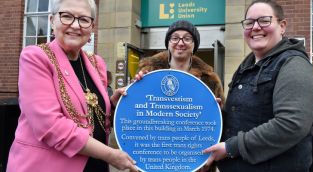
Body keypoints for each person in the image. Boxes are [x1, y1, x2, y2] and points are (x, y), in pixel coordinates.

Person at [6, 0, 137, 171]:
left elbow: (91, 115)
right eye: (67, 16)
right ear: (53, 21)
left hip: (94, 165)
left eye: (84, 19)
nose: (75, 25)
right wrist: (110, 155)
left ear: (91, 27)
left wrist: (114, 104)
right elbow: (50, 126)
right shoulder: (36, 57)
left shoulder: (96, 63)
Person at [202, 0, 313, 171]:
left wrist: (231, 148)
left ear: (282, 26)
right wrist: (219, 114)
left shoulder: (294, 65)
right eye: (249, 22)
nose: (256, 27)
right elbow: (248, 117)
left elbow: (290, 125)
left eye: (264, 20)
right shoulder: (246, 66)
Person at [138, 20, 225, 104]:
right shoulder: (148, 74)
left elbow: (219, 116)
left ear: (194, 45)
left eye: (187, 39)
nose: (180, 43)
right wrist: (130, 92)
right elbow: (135, 109)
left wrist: (216, 108)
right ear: (168, 43)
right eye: (175, 38)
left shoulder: (210, 80)